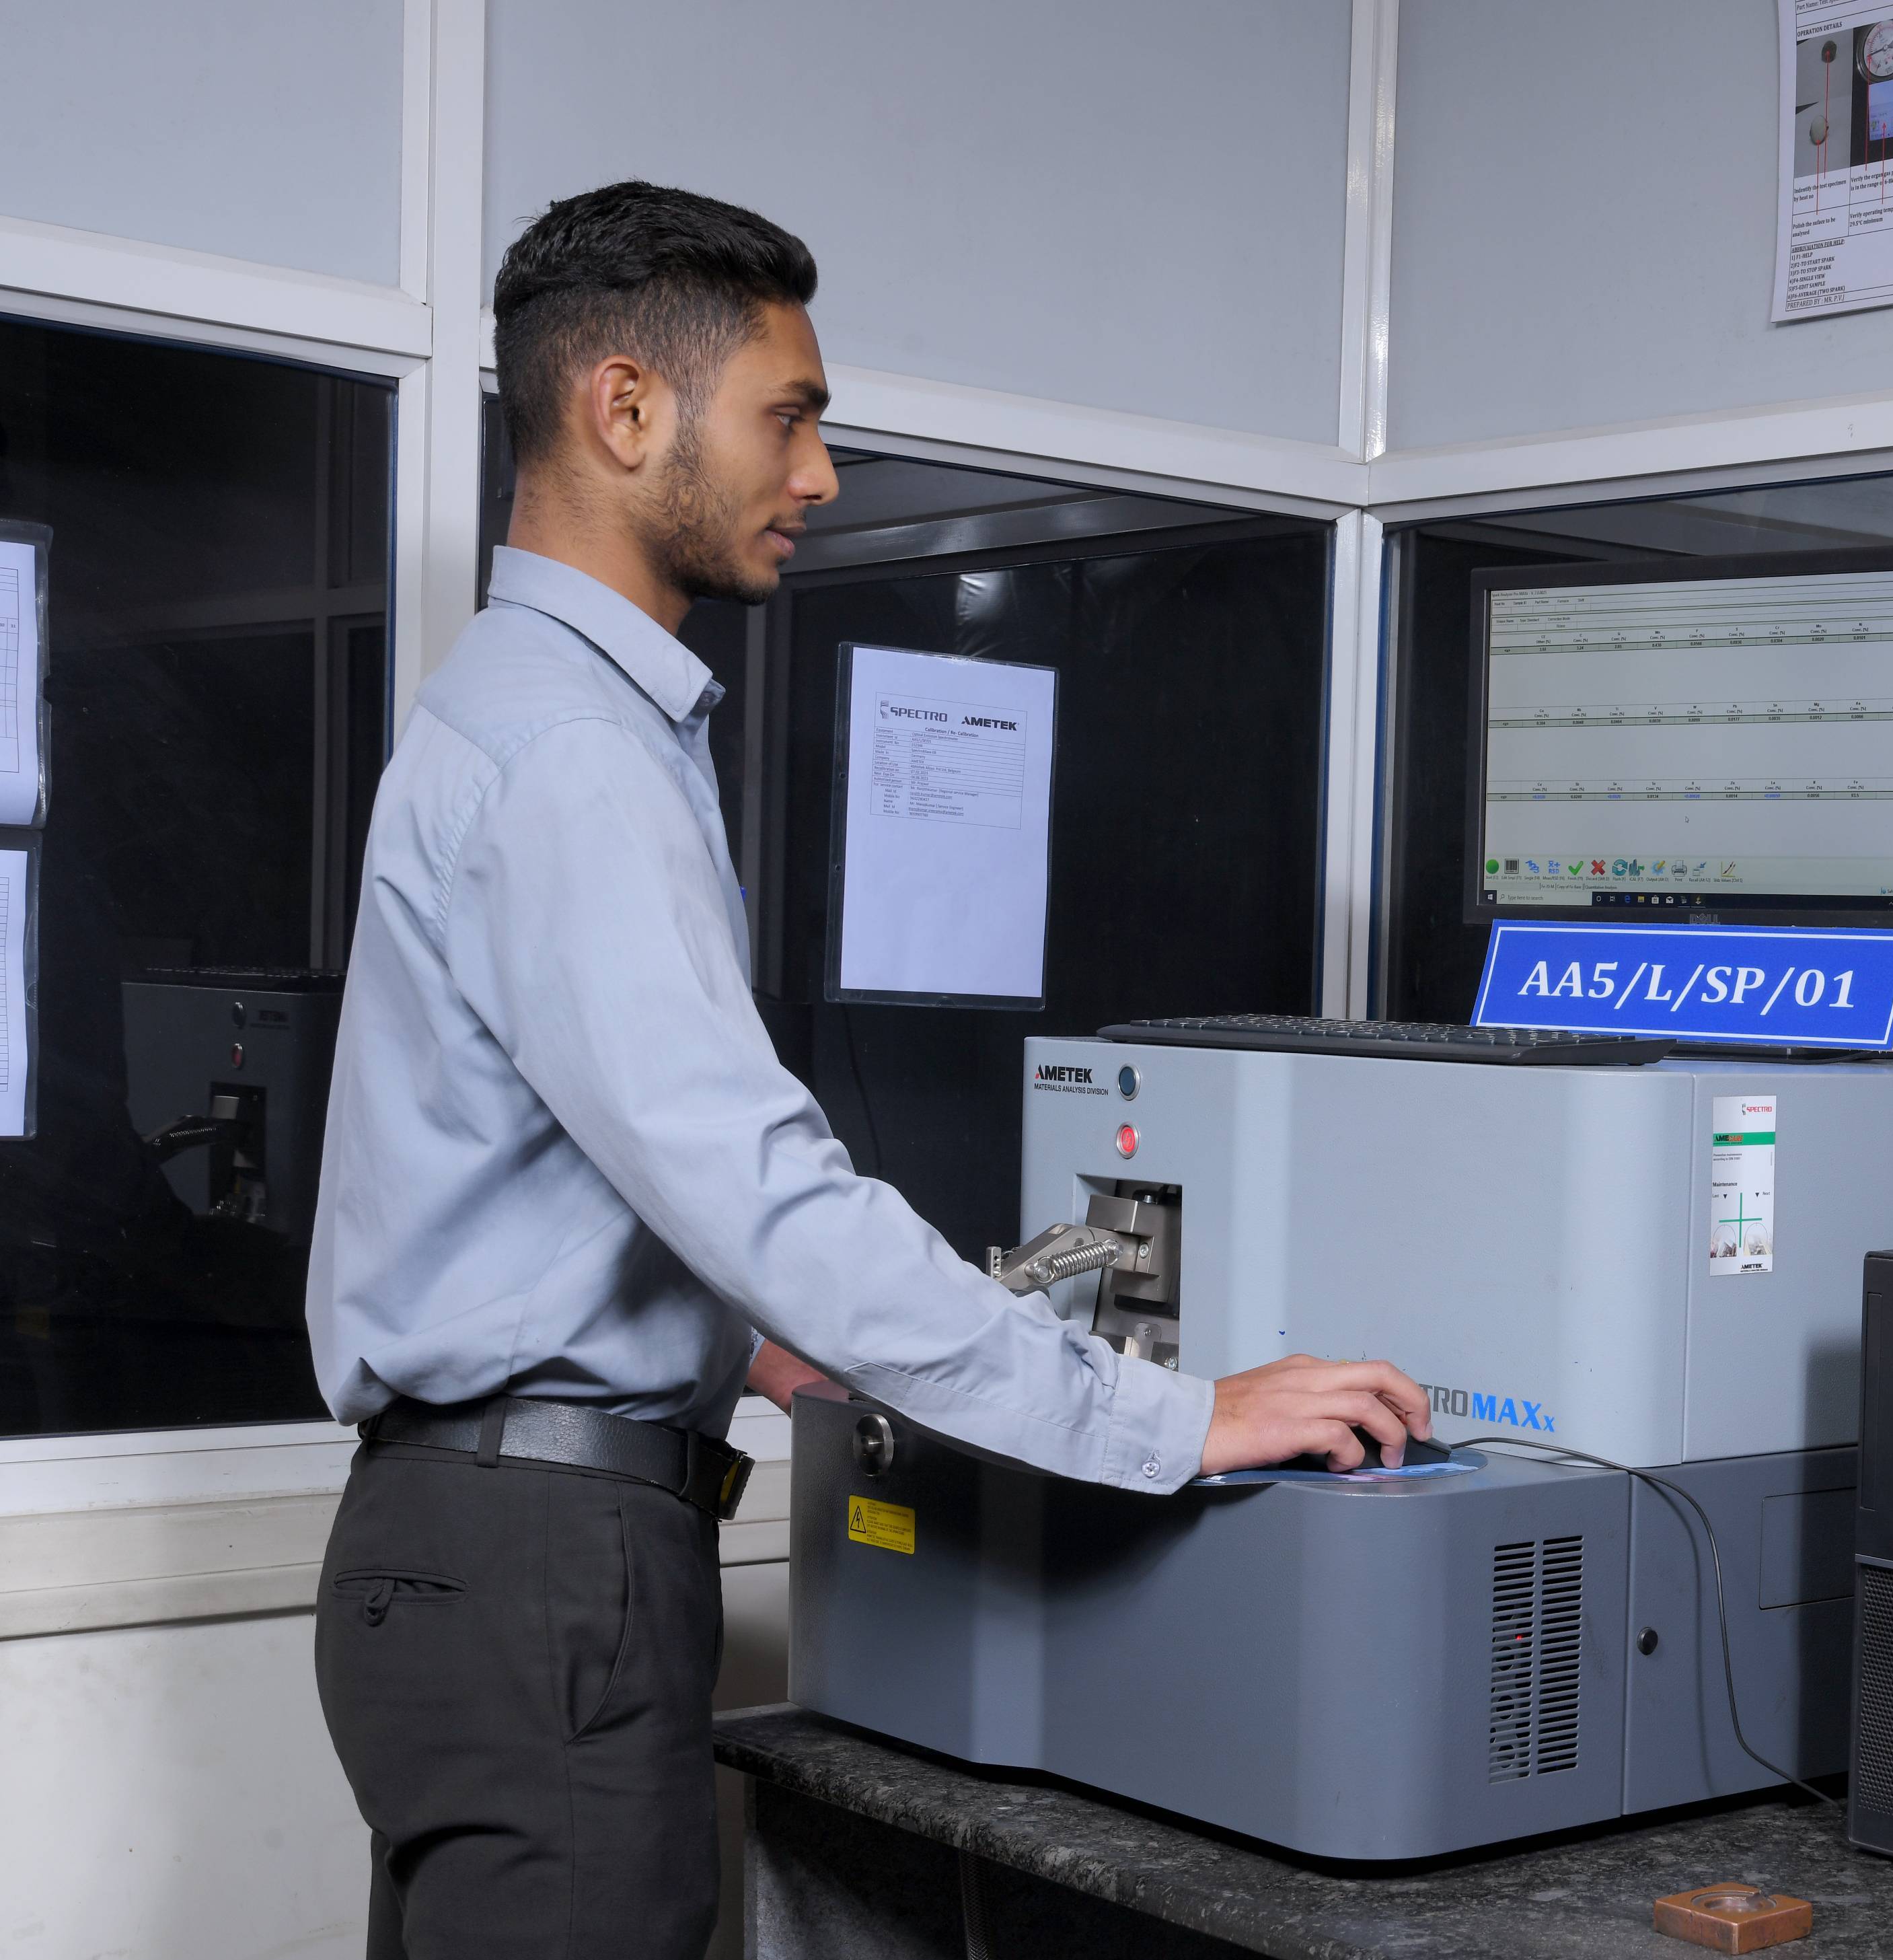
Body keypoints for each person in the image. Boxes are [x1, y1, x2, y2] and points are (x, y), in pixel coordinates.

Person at [306, 180, 1430, 1959]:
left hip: (474, 1547)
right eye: (792, 416)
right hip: (547, 1561)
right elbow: (762, 1190)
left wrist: (749, 1341)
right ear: (623, 409)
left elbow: (542, 1159)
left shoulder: (507, 714)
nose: (823, 474)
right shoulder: (574, 756)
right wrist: (1183, 1417)